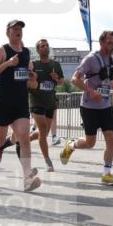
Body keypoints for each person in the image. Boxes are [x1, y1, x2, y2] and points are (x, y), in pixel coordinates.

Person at [0, 20, 42, 191]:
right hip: (3, 102)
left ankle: (27, 178)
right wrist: (7, 63)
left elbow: (31, 81)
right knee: (0, 139)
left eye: (20, 29)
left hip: (21, 103)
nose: (18, 32)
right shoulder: (2, 50)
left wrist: (32, 77)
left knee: (24, 138)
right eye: (15, 29)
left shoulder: (27, 53)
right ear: (7, 32)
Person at [60, 30, 113, 185]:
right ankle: (71, 145)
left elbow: (107, 81)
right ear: (101, 42)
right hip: (89, 106)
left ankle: (106, 174)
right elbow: (75, 79)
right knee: (90, 143)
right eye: (109, 43)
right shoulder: (91, 58)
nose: (112, 46)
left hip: (106, 105)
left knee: (111, 138)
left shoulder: (110, 59)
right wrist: (90, 91)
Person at [28, 38, 64, 172]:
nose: (45, 47)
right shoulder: (33, 64)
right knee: (43, 132)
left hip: (50, 102)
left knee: (44, 133)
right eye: (42, 46)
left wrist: (56, 78)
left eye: (46, 45)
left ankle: (22, 139)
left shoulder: (55, 64)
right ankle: (48, 161)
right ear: (38, 50)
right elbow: (28, 79)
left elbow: (61, 82)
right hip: (37, 102)